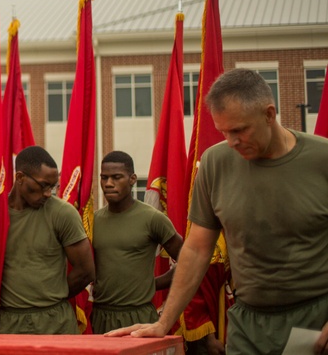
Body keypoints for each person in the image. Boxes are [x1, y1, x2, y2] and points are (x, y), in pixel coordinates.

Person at [108, 68, 328, 354]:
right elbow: (197, 249)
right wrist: (164, 322)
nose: (232, 141)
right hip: (249, 325)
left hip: (315, 321)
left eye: (239, 130)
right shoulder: (215, 162)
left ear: (269, 114)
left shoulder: (321, 159)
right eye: (224, 131)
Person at [0, 145, 95, 335]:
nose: (47, 193)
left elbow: (86, 271)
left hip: (56, 324)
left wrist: (51, 297)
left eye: (52, 187)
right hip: (8, 325)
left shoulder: (63, 213)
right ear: (20, 178)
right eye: (44, 185)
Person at [90, 150, 182, 334]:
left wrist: (151, 284)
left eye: (116, 177)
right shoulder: (93, 221)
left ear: (132, 179)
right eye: (104, 178)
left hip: (139, 317)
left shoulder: (152, 218)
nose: (108, 184)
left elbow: (189, 261)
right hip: (100, 316)